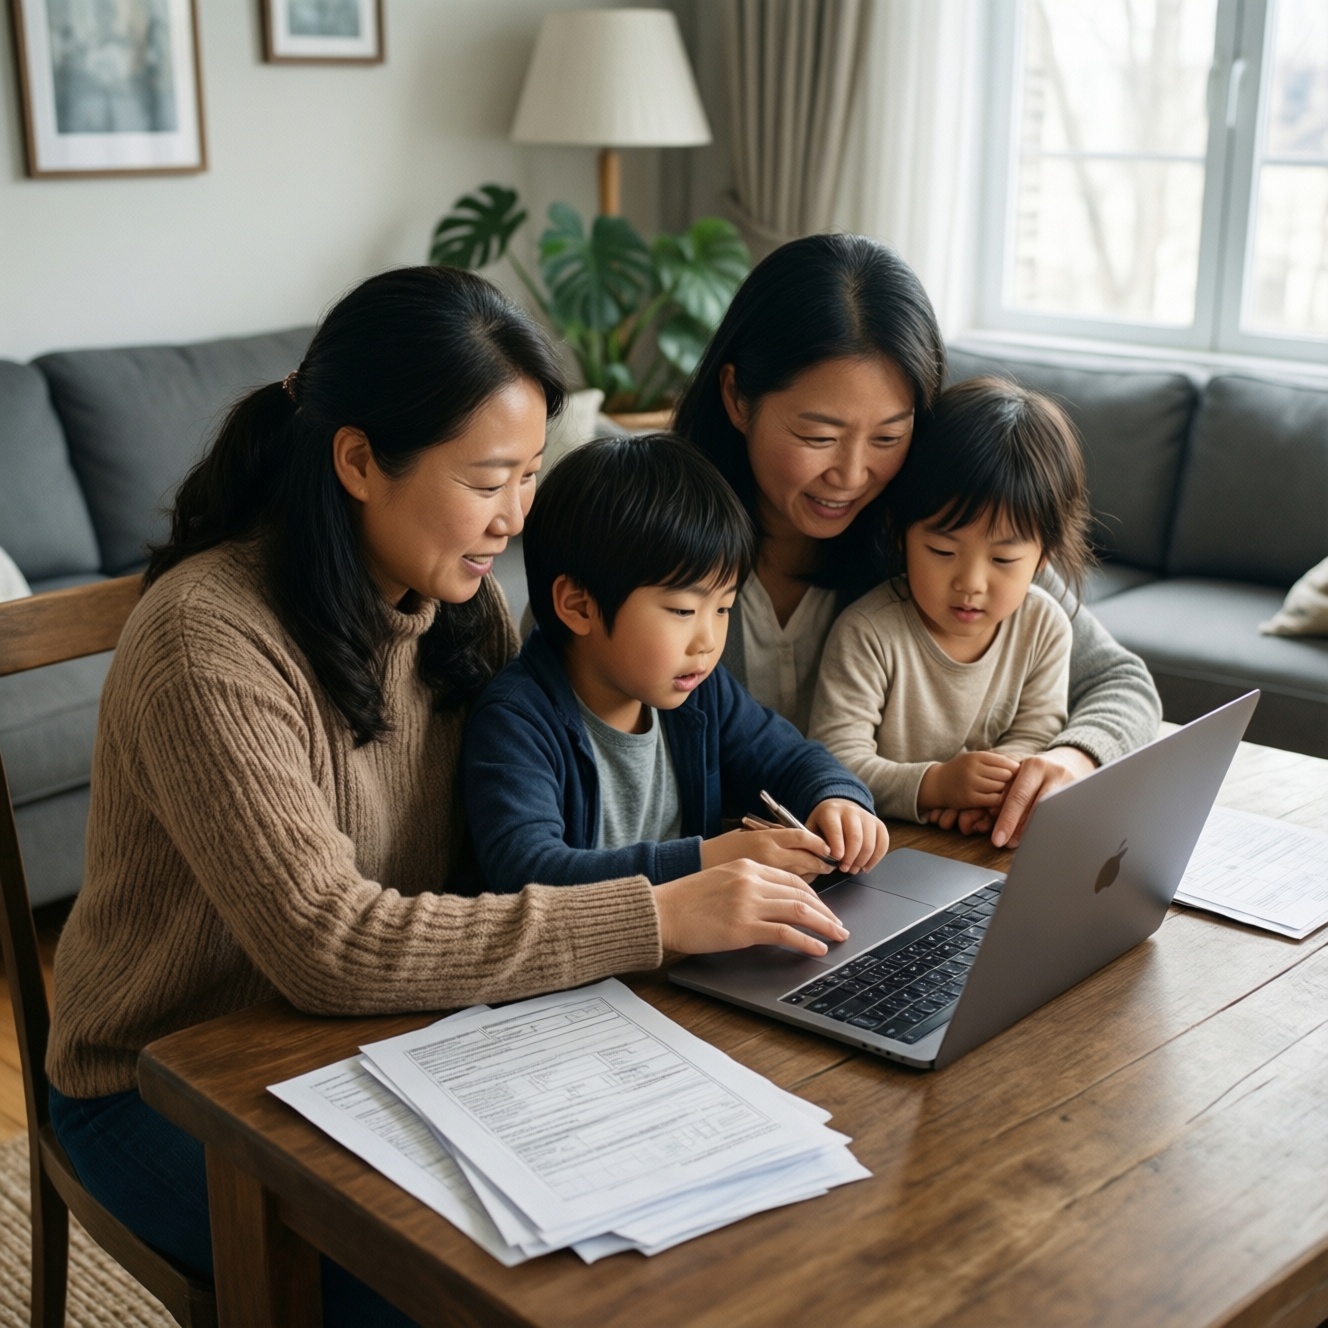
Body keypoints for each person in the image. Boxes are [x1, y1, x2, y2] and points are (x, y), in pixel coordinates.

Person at [44, 266, 848, 1326]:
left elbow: (516, 835)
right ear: (359, 460)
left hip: (390, 1037)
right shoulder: (209, 641)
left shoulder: (456, 607)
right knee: (452, 1293)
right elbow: (327, 942)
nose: (515, 516)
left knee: (674, 1225)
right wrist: (655, 909)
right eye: (487, 478)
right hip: (164, 1077)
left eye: (527, 475)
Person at [673, 232, 1161, 847]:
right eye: (819, 435)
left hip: (910, 867)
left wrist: (1066, 762)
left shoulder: (939, 533)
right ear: (737, 398)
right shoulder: (660, 538)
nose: (852, 477)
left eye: (887, 437)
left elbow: (1121, 683)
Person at [461, 433, 889, 895]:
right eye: (684, 611)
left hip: (699, 948)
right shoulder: (516, 720)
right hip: (589, 964)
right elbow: (528, 870)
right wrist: (708, 860)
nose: (708, 641)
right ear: (579, 607)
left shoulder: (699, 692)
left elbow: (789, 759)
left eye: (723, 609)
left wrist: (838, 800)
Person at [808, 377, 1093, 823]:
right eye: (942, 552)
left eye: (1003, 559)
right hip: (883, 849)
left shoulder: (1044, 627)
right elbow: (835, 760)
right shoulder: (869, 633)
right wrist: (936, 786)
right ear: (900, 534)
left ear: (1044, 557)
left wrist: (998, 793)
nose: (971, 583)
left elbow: (1037, 731)